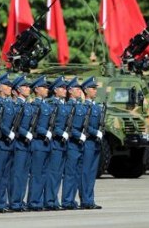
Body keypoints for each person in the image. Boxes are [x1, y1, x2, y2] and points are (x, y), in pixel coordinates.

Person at [0, 73, 15, 213]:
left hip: (9, 144)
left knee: (5, 174)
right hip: (1, 143)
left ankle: (2, 201)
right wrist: (8, 133)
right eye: (7, 85)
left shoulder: (9, 104)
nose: (10, 87)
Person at [27, 76, 53, 211]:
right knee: (36, 174)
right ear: (37, 89)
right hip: (38, 143)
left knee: (44, 174)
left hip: (46, 144)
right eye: (44, 87)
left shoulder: (46, 105)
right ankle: (34, 201)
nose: (47, 89)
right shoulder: (35, 106)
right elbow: (34, 125)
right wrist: (45, 132)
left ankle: (41, 201)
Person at [61, 77, 87, 210]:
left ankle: (72, 200)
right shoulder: (68, 107)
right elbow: (69, 127)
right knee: (70, 174)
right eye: (77, 89)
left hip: (79, 145)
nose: (79, 91)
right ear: (70, 91)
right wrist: (79, 135)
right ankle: (66, 200)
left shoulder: (80, 106)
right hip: (72, 144)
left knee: (77, 174)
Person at [44, 76, 69, 210]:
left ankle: (53, 199)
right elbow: (52, 125)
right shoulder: (52, 104)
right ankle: (49, 200)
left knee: (58, 174)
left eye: (65, 88)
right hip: (55, 143)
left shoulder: (63, 105)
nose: (65, 90)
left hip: (62, 144)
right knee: (53, 173)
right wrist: (61, 133)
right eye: (62, 88)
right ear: (55, 90)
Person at [9, 75, 34, 212]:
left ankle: (20, 199)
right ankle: (14, 201)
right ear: (17, 90)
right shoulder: (17, 105)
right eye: (24, 86)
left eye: (28, 86)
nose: (28, 88)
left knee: (24, 174)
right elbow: (16, 126)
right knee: (17, 174)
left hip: (27, 145)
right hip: (19, 144)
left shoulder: (28, 106)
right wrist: (26, 134)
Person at [79, 76, 103, 210]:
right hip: (87, 142)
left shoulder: (97, 107)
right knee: (85, 172)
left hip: (96, 144)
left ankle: (90, 199)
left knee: (92, 172)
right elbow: (85, 126)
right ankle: (85, 200)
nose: (95, 91)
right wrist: (95, 132)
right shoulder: (84, 107)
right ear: (86, 90)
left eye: (95, 88)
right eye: (93, 88)